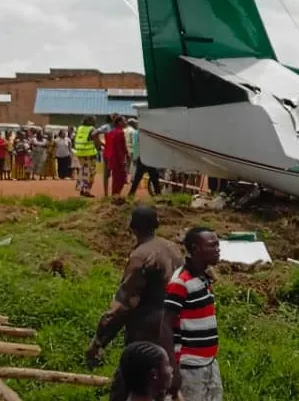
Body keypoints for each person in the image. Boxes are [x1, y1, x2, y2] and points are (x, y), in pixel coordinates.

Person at [86, 206, 183, 401]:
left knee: (129, 384)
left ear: (132, 226)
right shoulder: (172, 248)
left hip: (147, 329)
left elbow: (125, 303)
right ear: (157, 224)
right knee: (164, 381)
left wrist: (99, 340)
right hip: (175, 325)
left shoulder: (141, 255)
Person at [162, 227, 222, 401]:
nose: (218, 249)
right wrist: (172, 368)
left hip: (209, 362)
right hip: (189, 366)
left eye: (218, 245)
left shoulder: (203, 277)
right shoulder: (180, 282)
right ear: (196, 249)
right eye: (212, 246)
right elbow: (164, 324)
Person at [128, 121, 161, 197]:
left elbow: (135, 146)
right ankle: (159, 195)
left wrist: (135, 157)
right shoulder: (145, 133)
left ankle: (130, 195)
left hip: (143, 158)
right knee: (154, 178)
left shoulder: (137, 133)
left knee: (139, 178)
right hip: (147, 158)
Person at [74, 116, 100, 197]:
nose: (95, 122)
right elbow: (96, 141)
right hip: (89, 153)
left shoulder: (79, 128)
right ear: (90, 121)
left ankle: (82, 189)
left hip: (79, 152)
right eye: (94, 121)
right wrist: (99, 147)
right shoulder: (92, 129)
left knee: (83, 171)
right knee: (91, 172)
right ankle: (87, 190)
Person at [107, 116, 129, 196]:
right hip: (118, 159)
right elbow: (120, 148)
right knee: (121, 178)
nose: (126, 122)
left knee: (116, 179)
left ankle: (115, 195)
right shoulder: (120, 132)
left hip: (113, 159)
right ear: (119, 122)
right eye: (124, 121)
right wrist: (123, 160)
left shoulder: (112, 132)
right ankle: (116, 195)